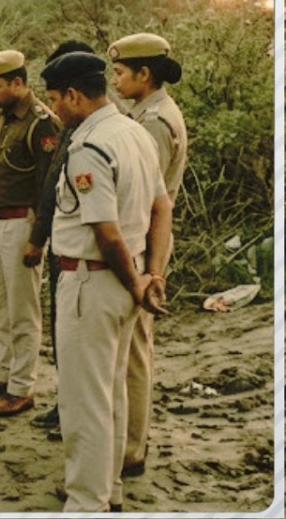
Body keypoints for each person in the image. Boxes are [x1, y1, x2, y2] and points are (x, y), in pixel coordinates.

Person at [41, 51, 172, 512]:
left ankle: (87, 501)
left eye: (56, 99)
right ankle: (108, 491)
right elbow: (162, 208)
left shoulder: (89, 146)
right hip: (126, 278)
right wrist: (151, 273)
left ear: (74, 96)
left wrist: (139, 281)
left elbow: (106, 230)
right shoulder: (134, 132)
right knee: (111, 394)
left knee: (84, 404)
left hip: (95, 281)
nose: (55, 108)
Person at [107, 33, 188, 479]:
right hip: (141, 239)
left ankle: (131, 449)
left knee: (135, 349)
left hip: (143, 241)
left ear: (145, 75)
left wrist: (149, 269)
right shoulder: (143, 112)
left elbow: (150, 199)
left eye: (121, 73)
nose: (115, 80)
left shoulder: (155, 122)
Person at [0, 50, 61, 417]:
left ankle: (22, 386)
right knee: (3, 307)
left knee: (23, 311)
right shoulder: (6, 118)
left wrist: (37, 240)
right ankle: (5, 372)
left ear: (19, 84)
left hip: (21, 224)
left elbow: (46, 187)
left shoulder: (41, 124)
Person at [23, 41, 97, 435]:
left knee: (82, 338)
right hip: (64, 245)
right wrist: (40, 237)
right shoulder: (73, 127)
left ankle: (76, 413)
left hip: (89, 253)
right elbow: (51, 186)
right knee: (62, 330)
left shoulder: (91, 133)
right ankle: (65, 402)